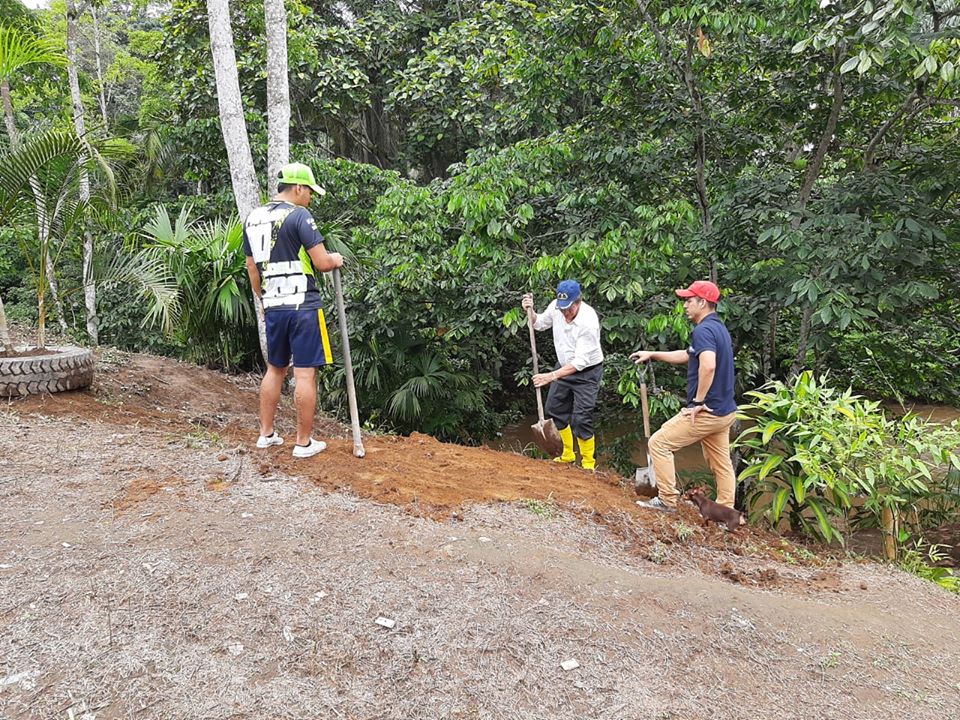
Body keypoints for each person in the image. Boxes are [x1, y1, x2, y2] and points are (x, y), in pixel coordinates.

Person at [243, 162, 344, 458]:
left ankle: (266, 435)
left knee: (275, 368)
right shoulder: (299, 215)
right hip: (302, 305)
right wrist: (335, 259)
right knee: (304, 373)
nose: (311, 197)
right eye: (310, 191)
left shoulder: (253, 218)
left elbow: (252, 267)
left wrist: (263, 299)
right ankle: (303, 442)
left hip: (273, 305)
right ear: (298, 187)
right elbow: (322, 262)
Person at [631, 280, 738, 512]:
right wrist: (653, 354)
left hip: (706, 411)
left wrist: (698, 402)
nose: (685, 305)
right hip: (724, 411)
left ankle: (667, 500)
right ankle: (726, 511)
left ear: (703, 302)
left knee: (659, 443)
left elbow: (708, 365)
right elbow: (690, 355)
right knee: (721, 464)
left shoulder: (703, 330)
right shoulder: (718, 328)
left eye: (689, 301)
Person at [521, 280, 604, 471]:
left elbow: (580, 362)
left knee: (581, 419)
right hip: (564, 366)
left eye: (569, 309)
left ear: (578, 302)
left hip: (587, 371)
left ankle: (588, 464)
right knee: (554, 409)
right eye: (562, 308)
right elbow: (539, 324)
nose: (565, 313)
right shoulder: (556, 307)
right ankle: (567, 454)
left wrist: (551, 376)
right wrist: (530, 312)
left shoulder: (588, 321)